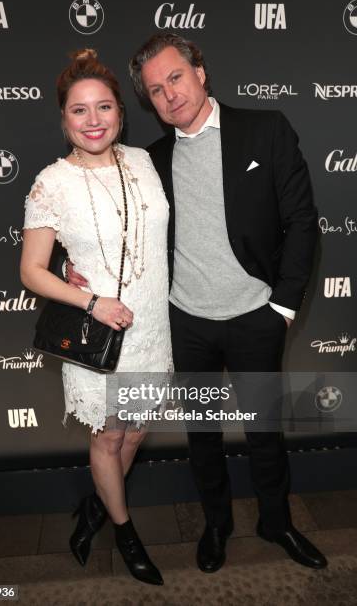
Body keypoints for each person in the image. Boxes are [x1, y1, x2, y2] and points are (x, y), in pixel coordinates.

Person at [68, 33, 327, 573]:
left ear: (201, 72)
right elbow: (93, 211)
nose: (170, 96)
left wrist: (281, 307)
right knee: (203, 436)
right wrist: (72, 270)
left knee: (264, 432)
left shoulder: (265, 129)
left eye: (176, 78)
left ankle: (277, 522)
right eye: (156, 90)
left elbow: (302, 221)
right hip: (186, 321)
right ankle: (217, 525)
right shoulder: (147, 161)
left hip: (258, 314)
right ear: (148, 101)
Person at [20, 48, 172, 586]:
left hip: (153, 327)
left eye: (103, 107)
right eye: (79, 110)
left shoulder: (146, 162)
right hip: (100, 332)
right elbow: (32, 271)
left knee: (135, 434)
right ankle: (124, 530)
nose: (93, 120)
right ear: (63, 118)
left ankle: (95, 506)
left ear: (121, 114)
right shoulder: (50, 183)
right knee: (108, 438)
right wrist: (88, 299)